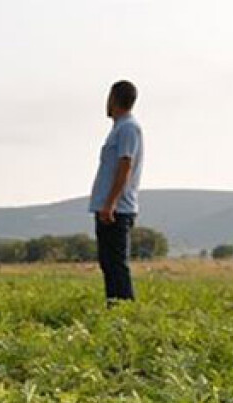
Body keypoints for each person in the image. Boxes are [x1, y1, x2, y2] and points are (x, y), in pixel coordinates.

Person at [90, 80, 145, 303]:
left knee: (116, 265)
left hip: (116, 209)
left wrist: (110, 203)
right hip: (109, 207)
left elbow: (125, 165)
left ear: (114, 99)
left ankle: (124, 312)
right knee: (109, 263)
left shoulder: (128, 128)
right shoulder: (120, 128)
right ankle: (115, 308)